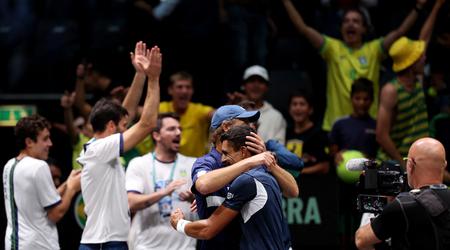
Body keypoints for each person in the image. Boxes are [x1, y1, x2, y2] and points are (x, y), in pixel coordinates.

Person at [281, 0, 427, 131]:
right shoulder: (332, 48)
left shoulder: (374, 50)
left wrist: (418, 6)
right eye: (346, 21)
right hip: (335, 126)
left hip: (369, 124)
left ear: (364, 28)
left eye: (356, 21)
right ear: (341, 27)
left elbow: (400, 32)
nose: (350, 24)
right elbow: (303, 28)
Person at [77, 45, 161, 249]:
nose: (126, 128)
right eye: (123, 126)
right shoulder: (100, 149)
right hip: (105, 243)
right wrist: (153, 79)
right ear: (111, 126)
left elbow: (126, 112)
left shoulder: (97, 148)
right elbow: (147, 124)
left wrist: (139, 74)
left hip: (105, 240)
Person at [191, 104, 299, 250]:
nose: (252, 128)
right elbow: (203, 185)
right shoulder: (208, 162)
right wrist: (250, 162)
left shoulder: (254, 158)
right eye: (245, 123)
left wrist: (269, 163)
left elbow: (292, 192)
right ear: (226, 127)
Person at [171, 125, 291, 250]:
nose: (222, 159)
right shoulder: (268, 175)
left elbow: (207, 229)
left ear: (244, 151)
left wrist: (179, 223)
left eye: (226, 153)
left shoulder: (247, 181)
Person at [376, 0, 446, 166]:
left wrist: (437, 6)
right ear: (410, 64)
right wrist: (403, 165)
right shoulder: (391, 90)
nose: (424, 57)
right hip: (396, 164)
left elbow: (425, 37)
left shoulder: (417, 81)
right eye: (419, 57)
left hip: (417, 161)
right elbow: (381, 135)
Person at [355, 137, 450, 250]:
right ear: (444, 165)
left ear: (410, 165)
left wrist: (386, 209)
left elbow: (360, 240)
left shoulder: (404, 205)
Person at [3, 114, 81, 249]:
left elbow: (40, 201)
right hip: (38, 245)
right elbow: (56, 214)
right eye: (45, 139)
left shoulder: (9, 165)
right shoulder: (38, 167)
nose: (50, 143)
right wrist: (72, 189)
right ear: (29, 142)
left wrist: (68, 183)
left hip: (14, 244)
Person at [126, 113, 197, 250]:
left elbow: (209, 205)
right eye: (171, 129)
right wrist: (164, 192)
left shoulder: (193, 164)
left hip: (184, 246)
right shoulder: (139, 164)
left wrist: (193, 198)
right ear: (156, 135)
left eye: (180, 129)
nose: (178, 133)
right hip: (146, 246)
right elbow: (131, 203)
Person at [159, 71, 215, 157]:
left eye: (188, 87)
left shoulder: (198, 110)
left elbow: (216, 114)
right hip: (166, 164)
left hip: (194, 166)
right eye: (179, 87)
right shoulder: (161, 108)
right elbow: (139, 112)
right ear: (170, 90)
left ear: (192, 91)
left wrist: (230, 108)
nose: (184, 91)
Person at [229, 65, 287, 144]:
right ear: (243, 86)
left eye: (260, 81)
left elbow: (278, 151)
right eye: (251, 81)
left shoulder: (276, 117)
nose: (256, 85)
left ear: (267, 87)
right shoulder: (232, 113)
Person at [330, 77, 377, 161]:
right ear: (351, 98)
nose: (361, 103)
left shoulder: (377, 126)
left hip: (368, 172)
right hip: (343, 172)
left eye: (366, 99)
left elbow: (380, 155)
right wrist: (336, 155)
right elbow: (332, 152)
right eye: (357, 98)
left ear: (372, 100)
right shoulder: (339, 124)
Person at [286, 90, 330, 174]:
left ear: (310, 110)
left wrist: (297, 172)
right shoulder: (286, 133)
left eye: (302, 104)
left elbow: (325, 166)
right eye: (294, 104)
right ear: (289, 109)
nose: (298, 108)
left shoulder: (319, 135)